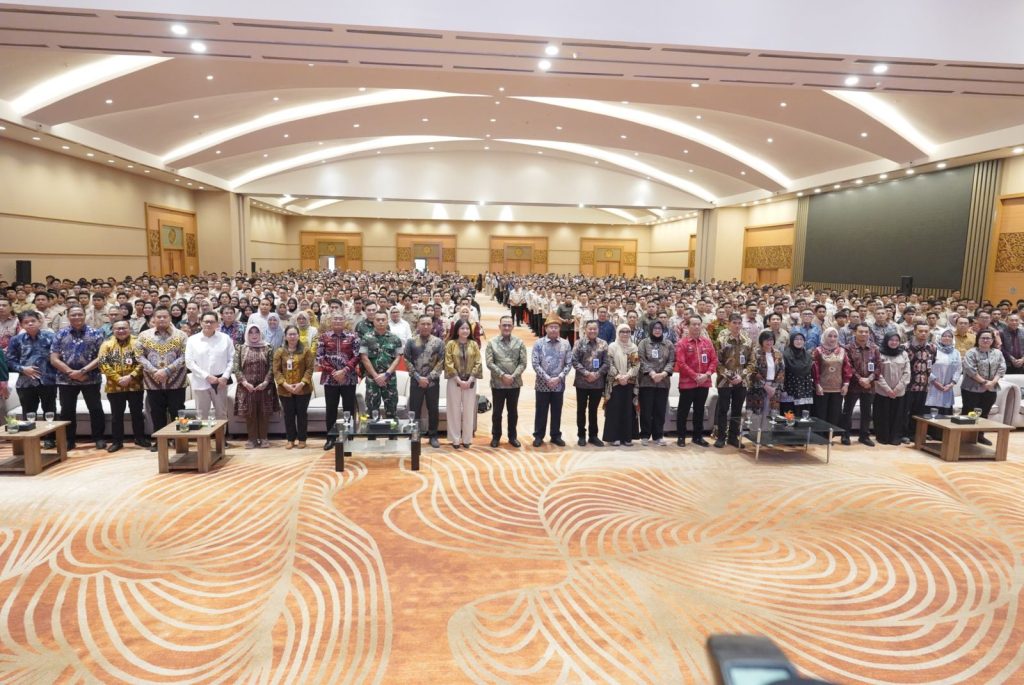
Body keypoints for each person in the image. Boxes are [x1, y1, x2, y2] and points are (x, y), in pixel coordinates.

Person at [49, 304, 105, 450]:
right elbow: (54, 359)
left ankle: (98, 437)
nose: (77, 317)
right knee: (67, 411)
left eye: (79, 314)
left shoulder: (96, 333)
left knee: (95, 409)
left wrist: (82, 371)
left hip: (90, 378)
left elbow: (102, 357)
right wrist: (71, 373)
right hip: (66, 380)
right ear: (68, 317)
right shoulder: (60, 334)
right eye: (73, 315)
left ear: (84, 315)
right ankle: (69, 440)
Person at [136, 306, 188, 451]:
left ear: (170, 318)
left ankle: (181, 441)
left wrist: (167, 370)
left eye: (165, 316)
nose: (162, 319)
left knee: (179, 412)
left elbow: (185, 356)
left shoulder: (181, 335)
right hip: (153, 382)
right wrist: (154, 371)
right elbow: (139, 356)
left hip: (176, 381)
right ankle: (160, 441)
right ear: (153, 319)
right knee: (156, 412)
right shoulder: (144, 335)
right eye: (158, 317)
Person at [6, 311, 58, 449]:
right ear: (21, 324)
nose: (30, 324)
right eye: (26, 322)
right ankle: (32, 439)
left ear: (39, 321)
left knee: (50, 411)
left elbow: (58, 358)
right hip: (25, 382)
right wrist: (23, 369)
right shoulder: (16, 340)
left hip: (47, 380)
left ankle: (50, 439)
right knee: (29, 412)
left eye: (32, 321)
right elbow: (10, 360)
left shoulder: (51, 337)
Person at [97, 320, 146, 452]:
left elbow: (143, 362)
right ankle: (117, 441)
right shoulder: (106, 345)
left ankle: (140, 438)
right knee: (116, 416)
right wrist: (118, 378)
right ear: (113, 330)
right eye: (118, 329)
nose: (121, 331)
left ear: (129, 329)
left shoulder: (137, 343)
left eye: (124, 328)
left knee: (137, 413)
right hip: (114, 386)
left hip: (135, 385)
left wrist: (131, 376)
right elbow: (103, 364)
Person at [317, 313, 360, 451]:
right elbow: (319, 357)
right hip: (330, 379)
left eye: (340, 318)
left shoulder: (353, 337)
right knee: (331, 410)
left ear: (344, 322)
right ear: (331, 321)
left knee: (349, 409)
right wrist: (334, 372)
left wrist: (345, 371)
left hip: (348, 379)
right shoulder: (324, 337)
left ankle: (349, 437)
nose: (338, 320)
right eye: (335, 318)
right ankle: (331, 437)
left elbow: (357, 356)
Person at [485, 315, 527, 448]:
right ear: (499, 327)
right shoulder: (492, 342)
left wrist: (512, 376)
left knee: (513, 411)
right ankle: (496, 436)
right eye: (504, 325)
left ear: (513, 327)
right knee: (497, 412)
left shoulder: (519, 342)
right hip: (498, 383)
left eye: (509, 325)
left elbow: (523, 363)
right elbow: (489, 363)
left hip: (514, 383)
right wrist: (503, 375)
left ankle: (512, 436)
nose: (507, 327)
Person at [674, 315, 717, 447]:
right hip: (687, 383)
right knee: (683, 411)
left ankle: (697, 437)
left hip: (704, 382)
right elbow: (681, 363)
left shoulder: (707, 342)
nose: (696, 327)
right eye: (693, 324)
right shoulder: (682, 343)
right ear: (688, 326)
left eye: (698, 324)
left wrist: (707, 374)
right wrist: (695, 376)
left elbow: (714, 360)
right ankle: (681, 436)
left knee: (699, 410)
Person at [234, 323, 278, 448]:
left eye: (256, 332)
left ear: (260, 334)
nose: (254, 335)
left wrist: (266, 382)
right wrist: (244, 382)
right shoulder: (241, 348)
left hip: (265, 387)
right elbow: (236, 367)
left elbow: (272, 367)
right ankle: (252, 439)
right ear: (247, 334)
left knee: (264, 413)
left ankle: (264, 438)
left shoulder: (268, 348)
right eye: (251, 332)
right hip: (246, 387)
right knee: (250, 413)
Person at [531, 313, 572, 447]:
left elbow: (568, 363)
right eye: (551, 327)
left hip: (558, 384)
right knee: (541, 411)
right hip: (542, 383)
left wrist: (558, 378)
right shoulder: (539, 343)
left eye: (556, 327)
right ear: (546, 328)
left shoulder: (565, 344)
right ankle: (538, 436)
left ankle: (555, 435)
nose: (554, 329)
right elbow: (535, 363)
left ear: (559, 329)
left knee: (556, 411)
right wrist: (548, 378)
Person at [185, 312, 235, 423]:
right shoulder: (192, 340)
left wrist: (225, 376)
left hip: (220, 382)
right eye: (206, 321)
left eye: (212, 321)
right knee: (202, 415)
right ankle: (203, 440)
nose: (208, 324)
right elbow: (189, 362)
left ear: (217, 323)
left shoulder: (225, 338)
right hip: (200, 382)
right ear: (201, 322)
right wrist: (206, 376)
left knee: (221, 414)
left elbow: (232, 359)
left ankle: (221, 440)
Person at [405, 315, 445, 448]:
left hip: (432, 382)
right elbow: (406, 360)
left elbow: (441, 362)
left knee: (433, 409)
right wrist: (418, 377)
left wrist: (428, 378)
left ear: (432, 326)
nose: (426, 326)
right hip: (416, 381)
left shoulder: (439, 342)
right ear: (418, 325)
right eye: (423, 324)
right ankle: (414, 434)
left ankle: (433, 435)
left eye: (428, 324)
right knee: (414, 409)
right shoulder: (411, 341)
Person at [961, 330, 1006, 446]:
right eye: (983, 338)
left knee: (984, 413)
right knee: (969, 413)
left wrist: (992, 383)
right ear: (978, 339)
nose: (986, 340)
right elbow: (970, 370)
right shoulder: (971, 352)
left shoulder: (997, 353)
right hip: (971, 388)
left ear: (992, 340)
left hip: (991, 388)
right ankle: (964, 436)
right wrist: (984, 382)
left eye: (988, 338)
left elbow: (1002, 368)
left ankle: (979, 435)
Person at [273, 324, 315, 449]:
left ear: (298, 336)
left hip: (303, 389)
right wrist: (285, 385)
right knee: (288, 414)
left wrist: (302, 383)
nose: (292, 337)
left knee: (302, 414)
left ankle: (302, 439)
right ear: (285, 337)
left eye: (294, 334)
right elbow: (276, 371)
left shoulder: (306, 350)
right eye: (289, 334)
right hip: (285, 390)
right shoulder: (280, 352)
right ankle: (290, 439)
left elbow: (310, 369)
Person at [714, 314, 751, 448]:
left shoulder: (747, 340)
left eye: (739, 323)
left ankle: (733, 437)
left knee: (737, 410)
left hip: (742, 381)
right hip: (724, 381)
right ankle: (721, 437)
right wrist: (730, 376)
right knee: (723, 409)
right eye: (734, 323)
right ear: (729, 324)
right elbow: (717, 362)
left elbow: (752, 361)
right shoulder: (721, 340)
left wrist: (742, 376)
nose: (737, 325)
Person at [444, 320, 482, 448]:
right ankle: (455, 439)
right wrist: (458, 380)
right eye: (462, 328)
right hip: (454, 381)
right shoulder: (450, 344)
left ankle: (466, 439)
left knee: (468, 410)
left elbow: (478, 362)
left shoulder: (474, 344)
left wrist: (470, 379)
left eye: (467, 328)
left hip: (470, 382)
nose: (465, 331)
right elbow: (448, 363)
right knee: (453, 409)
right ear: (457, 330)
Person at [841, 323, 881, 447]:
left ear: (869, 333)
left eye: (866, 332)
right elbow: (848, 367)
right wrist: (860, 379)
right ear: (854, 333)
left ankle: (864, 436)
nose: (863, 334)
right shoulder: (848, 348)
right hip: (853, 386)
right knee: (848, 411)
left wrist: (869, 379)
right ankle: (845, 435)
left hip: (869, 386)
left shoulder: (874, 348)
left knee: (867, 412)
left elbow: (879, 366)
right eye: (861, 332)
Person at [571, 320, 609, 447]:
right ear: (585, 330)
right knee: (581, 410)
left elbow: (607, 363)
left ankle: (593, 436)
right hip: (582, 382)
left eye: (595, 329)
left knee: (593, 410)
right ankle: (581, 435)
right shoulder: (579, 343)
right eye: (590, 329)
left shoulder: (603, 344)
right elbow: (574, 361)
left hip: (597, 383)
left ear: (598, 330)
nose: (592, 331)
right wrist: (587, 374)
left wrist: (596, 375)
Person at [359, 312, 404, 419]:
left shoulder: (395, 338)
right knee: (372, 411)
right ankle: (372, 436)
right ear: (373, 321)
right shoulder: (366, 338)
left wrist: (387, 374)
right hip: (372, 379)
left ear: (387, 320)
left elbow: (398, 357)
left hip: (389, 379)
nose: (380, 322)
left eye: (383, 319)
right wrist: (375, 376)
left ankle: (392, 435)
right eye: (378, 319)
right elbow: (364, 358)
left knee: (392, 411)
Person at [637, 320, 674, 446]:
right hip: (647, 381)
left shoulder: (668, 344)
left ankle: (658, 435)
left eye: (659, 328)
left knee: (660, 410)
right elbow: (641, 360)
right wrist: (652, 374)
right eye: (655, 328)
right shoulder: (644, 343)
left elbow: (671, 361)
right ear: (650, 330)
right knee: (646, 410)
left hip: (663, 382)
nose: (657, 330)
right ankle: (645, 435)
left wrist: (663, 374)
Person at [602, 324, 639, 446]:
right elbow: (609, 363)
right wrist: (618, 376)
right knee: (614, 410)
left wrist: (627, 376)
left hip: (629, 383)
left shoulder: (633, 347)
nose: (625, 334)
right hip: (615, 383)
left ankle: (627, 437)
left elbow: (636, 365)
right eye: (622, 331)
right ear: (618, 333)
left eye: (627, 331)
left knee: (628, 410)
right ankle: (614, 437)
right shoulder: (612, 346)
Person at [873, 332, 911, 446]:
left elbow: (907, 373)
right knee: (882, 415)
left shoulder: (903, 354)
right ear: (886, 340)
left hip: (899, 392)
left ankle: (895, 437)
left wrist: (897, 389)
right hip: (882, 392)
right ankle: (883, 437)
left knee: (898, 416)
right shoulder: (879, 353)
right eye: (891, 340)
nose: (894, 342)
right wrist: (888, 389)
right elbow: (877, 373)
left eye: (896, 340)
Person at [745, 331, 784, 433]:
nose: (769, 342)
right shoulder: (755, 353)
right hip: (758, 387)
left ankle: (767, 436)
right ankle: (755, 436)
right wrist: (765, 385)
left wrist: (774, 387)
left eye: (771, 339)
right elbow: (753, 371)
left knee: (770, 412)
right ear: (761, 341)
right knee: (757, 412)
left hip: (773, 387)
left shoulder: (778, 354)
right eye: (766, 339)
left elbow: (781, 371)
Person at [812, 327, 852, 428]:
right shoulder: (818, 350)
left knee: (835, 413)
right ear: (825, 336)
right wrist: (817, 384)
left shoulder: (842, 351)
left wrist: (846, 384)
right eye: (830, 336)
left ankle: (830, 436)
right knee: (821, 413)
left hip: (837, 388)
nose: (832, 338)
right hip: (822, 387)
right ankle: (820, 437)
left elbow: (847, 368)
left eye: (835, 336)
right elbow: (815, 369)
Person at [904, 322, 936, 443]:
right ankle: (904, 433)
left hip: (924, 386)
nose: (923, 333)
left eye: (926, 331)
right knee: (905, 411)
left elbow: (931, 364)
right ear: (914, 332)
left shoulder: (932, 348)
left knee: (919, 412)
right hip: (908, 385)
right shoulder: (906, 347)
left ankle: (915, 434)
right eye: (920, 331)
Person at [925, 329, 961, 420]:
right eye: (944, 336)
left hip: (947, 388)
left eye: (950, 336)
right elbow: (927, 367)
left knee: (945, 416)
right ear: (939, 337)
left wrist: (951, 384)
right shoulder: (932, 350)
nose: (947, 338)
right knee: (931, 413)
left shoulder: (956, 352)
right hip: (932, 386)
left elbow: (958, 369)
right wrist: (935, 382)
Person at [779, 332, 814, 418]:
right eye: (796, 339)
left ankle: (802, 432)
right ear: (791, 341)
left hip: (804, 390)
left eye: (801, 339)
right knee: (789, 416)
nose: (799, 341)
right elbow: (782, 373)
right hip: (790, 389)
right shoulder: (786, 355)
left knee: (803, 417)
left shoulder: (808, 356)